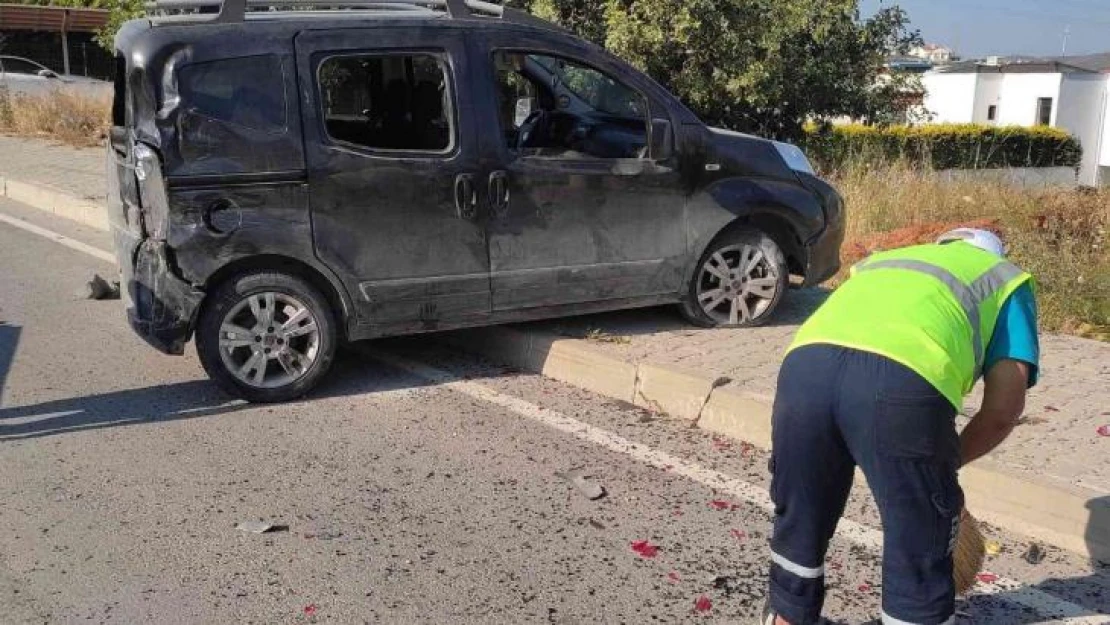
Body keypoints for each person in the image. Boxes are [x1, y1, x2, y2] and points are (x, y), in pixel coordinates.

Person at [762, 228, 1040, 625]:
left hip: (803, 370)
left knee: (802, 514)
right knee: (919, 540)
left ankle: (786, 616)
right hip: (900, 383)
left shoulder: (884, 262)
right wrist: (944, 465)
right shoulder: (1004, 277)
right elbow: (1002, 411)